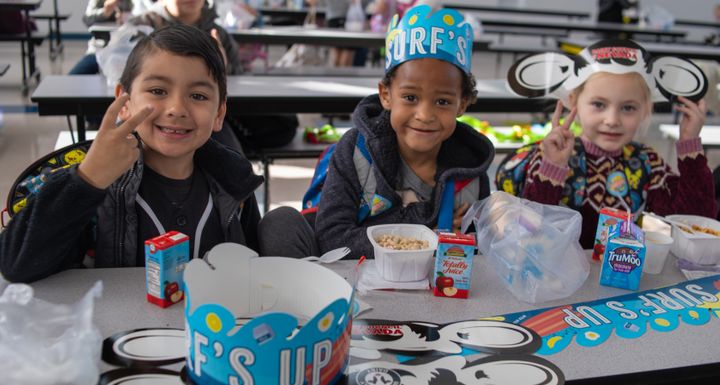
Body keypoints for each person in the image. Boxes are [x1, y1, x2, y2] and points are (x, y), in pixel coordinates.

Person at [0, 24, 263, 283]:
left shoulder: (233, 180)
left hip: (210, 325)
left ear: (219, 114)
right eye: (158, 91)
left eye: (198, 95)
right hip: (113, 325)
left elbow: (252, 268)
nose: (176, 109)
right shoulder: (97, 183)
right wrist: (88, 179)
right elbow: (15, 265)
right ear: (124, 102)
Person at [259, 5, 495, 259]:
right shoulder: (355, 151)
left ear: (462, 104)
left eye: (443, 102)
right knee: (278, 224)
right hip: (346, 283)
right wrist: (428, 231)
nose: (425, 115)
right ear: (386, 95)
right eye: (410, 97)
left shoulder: (470, 172)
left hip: (429, 293)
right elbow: (332, 239)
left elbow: (472, 254)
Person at [498, 39, 718, 249]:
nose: (612, 120)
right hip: (565, 284)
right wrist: (552, 169)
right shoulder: (550, 157)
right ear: (573, 101)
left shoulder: (649, 163)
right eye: (599, 104)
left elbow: (696, 225)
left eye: (628, 108)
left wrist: (690, 146)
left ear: (646, 109)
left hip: (627, 282)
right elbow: (528, 235)